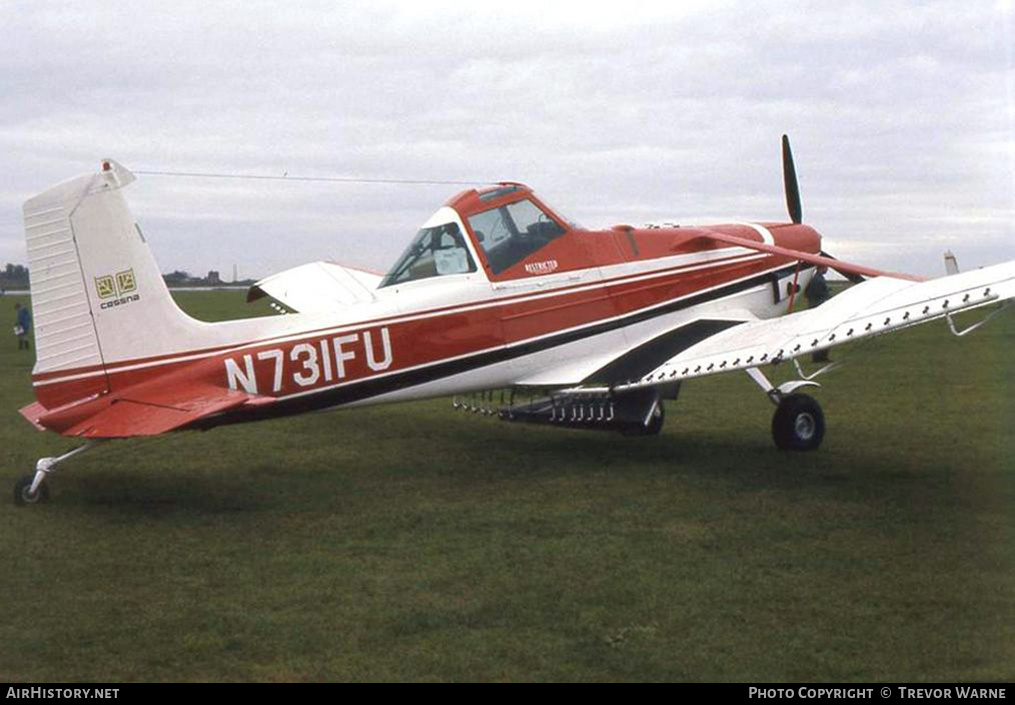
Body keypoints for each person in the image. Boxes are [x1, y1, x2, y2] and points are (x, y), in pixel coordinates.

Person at [804, 267, 831, 362]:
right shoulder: (818, 280)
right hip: (819, 308)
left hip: (814, 307)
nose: (827, 269)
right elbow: (819, 293)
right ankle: (819, 357)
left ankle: (820, 356)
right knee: (822, 333)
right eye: (826, 267)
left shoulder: (814, 278)